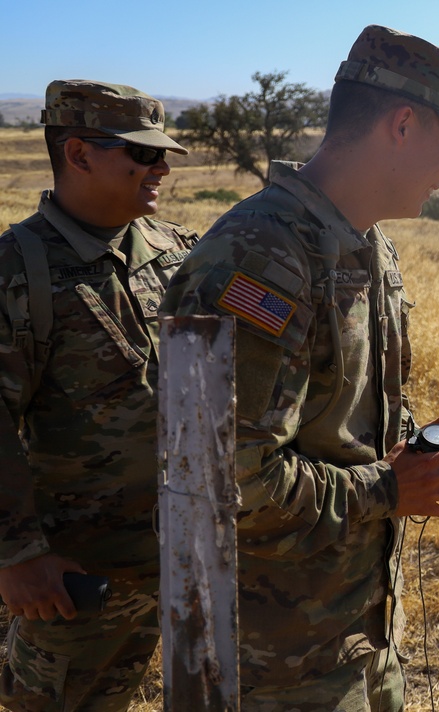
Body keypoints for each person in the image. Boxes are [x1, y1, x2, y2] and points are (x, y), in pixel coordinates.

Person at [158, 25, 439, 711]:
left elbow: (339, 424)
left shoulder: (367, 246)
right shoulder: (258, 258)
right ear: (402, 124)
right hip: (268, 663)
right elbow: (229, 484)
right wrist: (387, 489)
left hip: (355, 636)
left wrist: (417, 458)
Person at [0, 80, 197, 711]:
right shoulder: (15, 271)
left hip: (184, 551)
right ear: (79, 154)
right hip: (77, 576)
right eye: (141, 154)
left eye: (162, 153)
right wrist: (18, 557)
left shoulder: (180, 254)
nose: (161, 167)